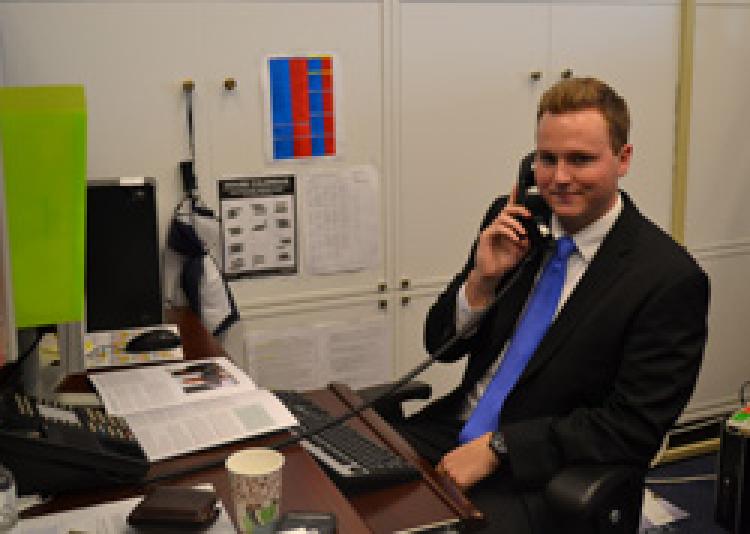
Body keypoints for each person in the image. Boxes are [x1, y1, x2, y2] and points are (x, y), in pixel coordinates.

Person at [390, 77, 710, 532]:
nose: (559, 178)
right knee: (338, 481)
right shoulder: (514, 222)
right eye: (547, 159)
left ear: (623, 159)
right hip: (447, 430)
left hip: (541, 471)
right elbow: (440, 342)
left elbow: (633, 426)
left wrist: (500, 447)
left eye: (580, 159)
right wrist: (481, 282)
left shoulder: (667, 279)